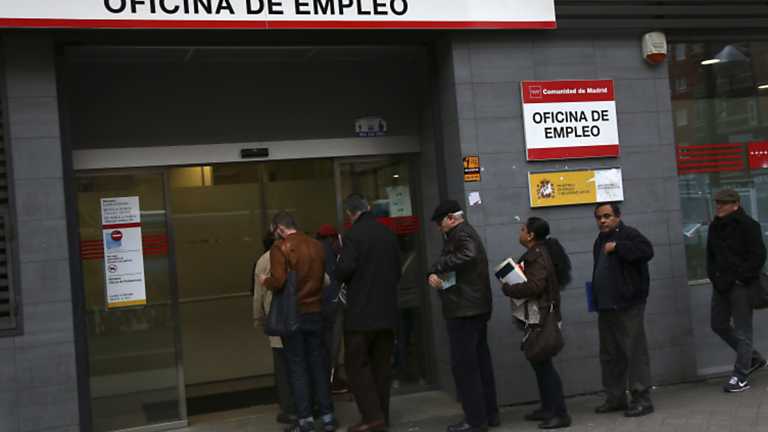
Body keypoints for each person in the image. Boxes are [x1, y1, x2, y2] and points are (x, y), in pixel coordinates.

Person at [259, 212, 336, 432]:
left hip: (294, 314)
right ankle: (328, 417)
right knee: (318, 364)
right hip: (316, 311)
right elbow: (322, 279)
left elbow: (279, 281)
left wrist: (265, 281)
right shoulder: (316, 245)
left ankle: (305, 420)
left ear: (279, 229)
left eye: (275, 231)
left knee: (297, 367)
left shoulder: (280, 248)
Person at [427, 200, 500, 432]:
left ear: (451, 218)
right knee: (480, 363)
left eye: (440, 222)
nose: (439, 227)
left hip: (464, 310)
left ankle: (475, 420)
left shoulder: (461, 234)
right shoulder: (465, 232)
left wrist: (438, 266)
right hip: (474, 307)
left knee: (465, 367)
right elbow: (466, 269)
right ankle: (489, 414)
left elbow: (469, 254)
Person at [335, 193, 402, 432]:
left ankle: (372, 418)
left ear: (350, 214)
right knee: (381, 368)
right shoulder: (388, 234)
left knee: (356, 366)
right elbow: (397, 271)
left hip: (361, 316)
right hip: (387, 313)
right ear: (368, 208)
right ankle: (382, 416)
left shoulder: (353, 236)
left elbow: (344, 270)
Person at [501, 217, 571, 429]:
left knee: (544, 365)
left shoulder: (537, 255)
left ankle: (559, 413)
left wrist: (509, 288)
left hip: (541, 316)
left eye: (523, 229)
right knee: (540, 364)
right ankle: (548, 408)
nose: (520, 232)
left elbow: (535, 286)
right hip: (538, 315)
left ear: (531, 235)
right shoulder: (539, 252)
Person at [591, 203, 655, 417]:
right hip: (606, 306)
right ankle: (615, 397)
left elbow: (647, 251)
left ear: (617, 217)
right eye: (599, 217)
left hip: (627, 305)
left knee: (633, 351)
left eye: (607, 216)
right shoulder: (599, 240)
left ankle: (642, 398)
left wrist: (619, 247)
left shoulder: (628, 234)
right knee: (610, 354)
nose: (602, 221)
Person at [707, 188, 767, 392]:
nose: (719, 206)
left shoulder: (749, 225)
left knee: (743, 332)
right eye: (717, 203)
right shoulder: (714, 226)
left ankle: (740, 376)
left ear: (735, 205)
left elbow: (758, 256)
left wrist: (741, 278)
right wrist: (714, 276)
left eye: (723, 203)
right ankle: (753, 358)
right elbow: (710, 256)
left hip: (741, 286)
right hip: (721, 285)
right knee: (718, 324)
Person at [252, 232, 296, 425]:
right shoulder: (297, 252)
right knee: (301, 364)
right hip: (300, 318)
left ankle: (289, 409)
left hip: (277, 320)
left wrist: (258, 320)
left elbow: (258, 296)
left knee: (283, 369)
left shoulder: (263, 261)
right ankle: (308, 406)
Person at [316, 223, 349, 394]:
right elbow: (333, 280)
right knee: (333, 345)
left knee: (323, 345)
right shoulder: (329, 252)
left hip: (318, 306)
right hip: (332, 305)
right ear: (331, 239)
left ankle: (324, 381)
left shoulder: (315, 250)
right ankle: (331, 381)